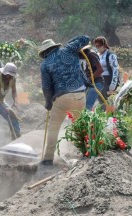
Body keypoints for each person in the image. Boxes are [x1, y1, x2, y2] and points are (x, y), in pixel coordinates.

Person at [38, 35, 90, 165]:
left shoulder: (45, 64)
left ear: (44, 52)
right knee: (80, 125)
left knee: (54, 128)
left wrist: (48, 102)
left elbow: (46, 87)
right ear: (55, 46)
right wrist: (70, 42)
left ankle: (48, 158)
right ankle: (87, 152)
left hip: (61, 98)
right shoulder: (68, 49)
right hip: (79, 94)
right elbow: (86, 38)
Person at [93, 36, 120, 103]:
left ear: (104, 45)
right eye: (96, 46)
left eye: (99, 46)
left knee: (108, 102)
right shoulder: (97, 55)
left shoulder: (110, 55)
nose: (97, 48)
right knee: (100, 100)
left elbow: (115, 70)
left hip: (108, 80)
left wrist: (113, 85)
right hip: (99, 81)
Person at [79, 46, 104, 110]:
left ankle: (87, 119)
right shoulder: (81, 56)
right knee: (81, 105)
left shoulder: (91, 55)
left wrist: (89, 79)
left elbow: (100, 70)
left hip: (96, 83)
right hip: (88, 83)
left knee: (87, 106)